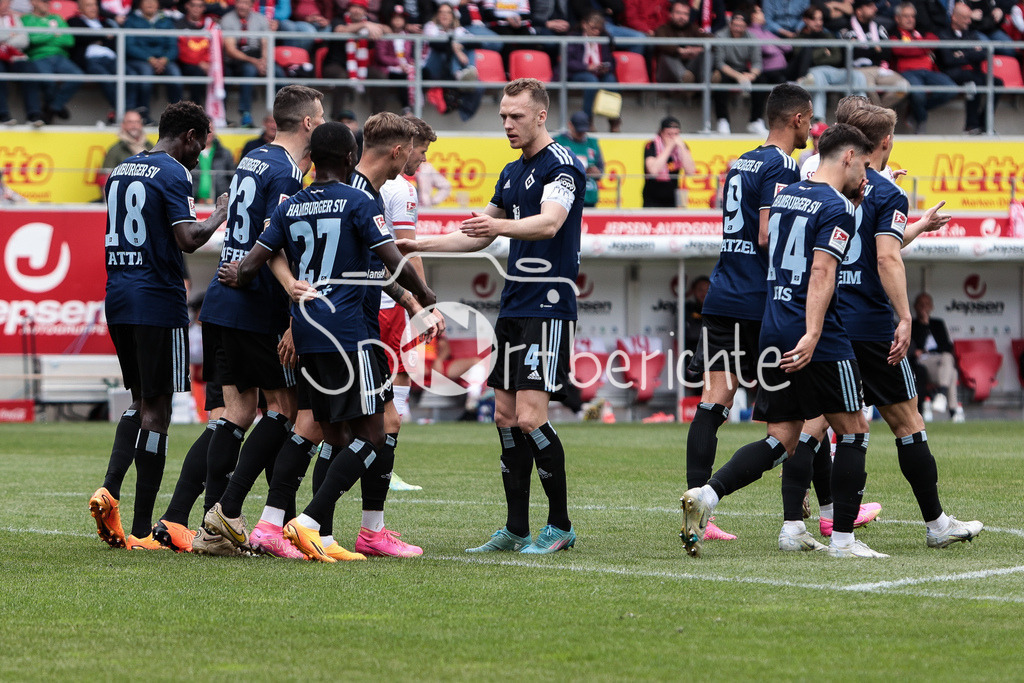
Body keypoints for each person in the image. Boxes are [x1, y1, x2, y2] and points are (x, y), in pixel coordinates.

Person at [779, 104, 979, 553]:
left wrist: (917, 228)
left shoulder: (822, 178)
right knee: (907, 423)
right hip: (871, 327)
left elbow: (862, 248)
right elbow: (885, 256)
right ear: (884, 143)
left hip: (830, 323)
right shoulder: (886, 191)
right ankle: (936, 523)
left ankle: (793, 525)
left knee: (814, 426)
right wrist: (906, 316)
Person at [399, 78, 585, 555]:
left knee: (529, 416)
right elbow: (477, 235)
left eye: (516, 116)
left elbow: (550, 222)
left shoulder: (562, 165)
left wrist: (498, 225)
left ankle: (560, 525)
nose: (507, 124)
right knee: (504, 415)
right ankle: (516, 529)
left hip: (548, 305)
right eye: (503, 116)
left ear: (540, 116)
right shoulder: (509, 170)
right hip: (515, 304)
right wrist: (416, 243)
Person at [682, 123, 881, 559]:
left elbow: (771, 243)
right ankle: (844, 540)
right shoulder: (836, 206)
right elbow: (823, 271)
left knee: (785, 436)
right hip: (816, 335)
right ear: (847, 156)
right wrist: (813, 332)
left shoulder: (789, 194)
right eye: (864, 164)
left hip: (771, 326)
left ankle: (712, 497)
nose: (867, 175)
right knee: (853, 430)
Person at [151, 86, 325, 555]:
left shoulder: (252, 157)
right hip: (255, 304)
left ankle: (198, 524)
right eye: (320, 117)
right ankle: (226, 515)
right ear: (308, 123)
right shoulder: (289, 170)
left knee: (235, 414)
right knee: (285, 411)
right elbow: (277, 239)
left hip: (222, 305)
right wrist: (288, 303)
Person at [255, 121, 438, 563]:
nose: (420, 159)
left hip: (314, 327)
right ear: (355, 156)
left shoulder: (297, 202)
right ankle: (311, 522)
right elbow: (390, 260)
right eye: (416, 150)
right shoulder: (359, 197)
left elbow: (258, 260)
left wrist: (291, 299)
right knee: (370, 432)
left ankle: (287, 526)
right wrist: (425, 297)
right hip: (350, 332)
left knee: (330, 433)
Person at [88, 100, 229, 551]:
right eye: (201, 145)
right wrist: (220, 213)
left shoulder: (123, 169)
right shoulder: (173, 172)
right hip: (157, 298)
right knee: (158, 410)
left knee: (138, 400)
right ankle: (145, 528)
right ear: (188, 135)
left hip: (119, 295)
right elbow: (187, 239)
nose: (200, 155)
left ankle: (109, 488)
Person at [684, 84, 809, 542]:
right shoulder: (784, 164)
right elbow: (767, 232)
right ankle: (808, 515)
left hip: (722, 294)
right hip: (761, 303)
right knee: (797, 418)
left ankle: (697, 506)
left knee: (714, 398)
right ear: (795, 119)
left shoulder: (741, 161)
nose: (811, 129)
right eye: (809, 120)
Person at [375, 115, 439, 492]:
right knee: (394, 383)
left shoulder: (368, 182)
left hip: (366, 298)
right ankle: (384, 467)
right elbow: (406, 250)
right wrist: (422, 301)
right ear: (407, 146)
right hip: (390, 302)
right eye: (424, 151)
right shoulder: (402, 187)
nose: (424, 161)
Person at [788, 5, 868, 121]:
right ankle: (819, 120)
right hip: (813, 72)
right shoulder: (799, 38)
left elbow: (837, 57)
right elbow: (804, 59)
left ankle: (861, 117)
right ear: (805, 20)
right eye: (814, 19)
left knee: (857, 76)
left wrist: (816, 54)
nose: (818, 22)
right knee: (818, 78)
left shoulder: (828, 35)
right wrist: (824, 52)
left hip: (832, 70)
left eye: (820, 19)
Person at [936, 2, 1002, 135]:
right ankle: (971, 125)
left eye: (969, 17)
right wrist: (970, 53)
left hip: (972, 72)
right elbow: (949, 59)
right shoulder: (943, 34)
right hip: (952, 73)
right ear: (954, 17)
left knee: (997, 83)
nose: (969, 21)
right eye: (965, 18)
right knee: (974, 82)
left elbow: (983, 54)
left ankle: (985, 124)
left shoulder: (971, 33)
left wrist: (962, 53)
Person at [889, 2, 956, 134]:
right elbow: (898, 50)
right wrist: (923, 48)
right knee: (918, 94)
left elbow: (934, 41)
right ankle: (921, 120)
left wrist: (914, 47)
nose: (910, 19)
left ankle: (916, 110)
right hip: (907, 72)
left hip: (928, 72)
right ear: (897, 18)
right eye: (906, 16)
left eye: (912, 16)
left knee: (951, 89)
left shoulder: (921, 29)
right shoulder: (893, 32)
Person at [221, 0, 286, 128]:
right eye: (240, 2)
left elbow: (265, 43)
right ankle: (246, 113)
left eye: (246, 3)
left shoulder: (260, 19)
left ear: (252, 5)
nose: (242, 6)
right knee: (249, 70)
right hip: (236, 58)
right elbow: (230, 50)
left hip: (257, 56)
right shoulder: (227, 20)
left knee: (278, 72)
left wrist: (263, 61)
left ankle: (285, 113)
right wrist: (255, 62)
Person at [838, 0, 909, 111]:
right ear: (859, 11)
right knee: (869, 87)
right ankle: (879, 117)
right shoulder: (847, 28)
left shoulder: (879, 28)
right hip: (858, 70)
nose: (875, 8)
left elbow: (887, 53)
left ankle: (878, 113)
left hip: (879, 69)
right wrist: (875, 49)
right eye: (870, 6)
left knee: (903, 86)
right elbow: (849, 54)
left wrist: (863, 48)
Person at [22, 0, 82, 123]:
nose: (47, 4)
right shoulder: (26, 19)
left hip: (59, 56)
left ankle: (53, 107)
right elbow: (32, 40)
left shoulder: (57, 18)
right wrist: (53, 33)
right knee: (48, 81)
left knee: (78, 76)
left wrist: (45, 36)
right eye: (43, 1)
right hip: (38, 56)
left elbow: (69, 40)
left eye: (48, 2)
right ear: (33, 2)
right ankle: (56, 107)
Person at [124, 0, 183, 123]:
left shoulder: (166, 21)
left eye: (153, 1)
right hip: (140, 60)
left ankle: (178, 116)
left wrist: (165, 59)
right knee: (146, 76)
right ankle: (144, 116)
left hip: (164, 60)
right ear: (140, 4)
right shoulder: (131, 20)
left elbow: (173, 46)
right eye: (146, 1)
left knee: (176, 75)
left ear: (158, 4)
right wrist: (149, 58)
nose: (150, 4)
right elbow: (129, 46)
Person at [711, 10, 769, 135]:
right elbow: (719, 63)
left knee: (762, 80)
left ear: (746, 27)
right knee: (719, 80)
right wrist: (738, 77)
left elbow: (757, 63)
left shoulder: (752, 37)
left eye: (741, 26)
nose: (737, 29)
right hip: (727, 69)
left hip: (743, 70)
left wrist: (752, 75)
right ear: (730, 24)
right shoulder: (720, 35)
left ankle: (755, 120)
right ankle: (723, 120)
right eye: (735, 25)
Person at [911, 291, 964, 421]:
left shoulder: (937, 324)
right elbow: (915, 347)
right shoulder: (913, 324)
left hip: (940, 363)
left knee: (948, 360)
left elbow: (946, 346)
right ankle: (952, 410)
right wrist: (923, 323)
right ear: (915, 306)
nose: (924, 307)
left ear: (932, 307)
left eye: (927, 304)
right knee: (952, 372)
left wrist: (926, 349)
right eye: (921, 304)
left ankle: (942, 394)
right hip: (923, 362)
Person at [566, 10, 619, 130]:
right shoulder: (573, 38)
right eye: (593, 28)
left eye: (599, 30)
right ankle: (588, 119)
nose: (596, 32)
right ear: (584, 24)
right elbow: (568, 62)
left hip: (599, 73)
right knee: (591, 80)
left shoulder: (605, 39)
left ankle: (613, 119)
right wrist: (587, 67)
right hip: (578, 73)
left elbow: (612, 61)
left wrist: (606, 67)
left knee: (611, 80)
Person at [68, 0, 119, 124]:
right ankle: (123, 111)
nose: (93, 8)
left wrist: (96, 38)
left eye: (95, 5)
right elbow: (80, 38)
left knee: (131, 76)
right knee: (106, 78)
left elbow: (115, 42)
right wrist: (103, 36)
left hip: (112, 59)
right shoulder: (74, 21)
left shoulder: (106, 22)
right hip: (91, 61)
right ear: (80, 9)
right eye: (89, 5)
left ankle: (123, 112)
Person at [0, 0, 44, 126]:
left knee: (30, 72)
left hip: (15, 56)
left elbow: (24, 40)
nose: (6, 6)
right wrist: (12, 35)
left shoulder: (14, 18)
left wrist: (5, 43)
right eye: (2, 3)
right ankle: (3, 115)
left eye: (8, 3)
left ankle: (34, 115)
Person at [642, 116, 695, 208]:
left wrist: (682, 148)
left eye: (676, 134)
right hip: (653, 197)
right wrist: (669, 148)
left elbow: (690, 171)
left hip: (673, 196)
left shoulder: (681, 146)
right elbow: (653, 170)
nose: (673, 138)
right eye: (669, 134)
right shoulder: (652, 145)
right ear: (661, 133)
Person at [554, 110, 604, 208]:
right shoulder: (558, 141)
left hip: (589, 196)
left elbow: (601, 170)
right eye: (578, 130)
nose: (581, 133)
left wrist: (595, 172)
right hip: (565, 196)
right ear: (570, 125)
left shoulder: (593, 143)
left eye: (584, 130)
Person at [653, 0, 710, 85]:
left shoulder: (693, 28)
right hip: (668, 75)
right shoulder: (663, 29)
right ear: (670, 14)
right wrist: (680, 51)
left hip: (692, 71)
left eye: (685, 14)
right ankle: (685, 77)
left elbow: (712, 39)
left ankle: (707, 79)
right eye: (678, 13)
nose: (682, 17)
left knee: (707, 52)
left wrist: (699, 49)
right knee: (666, 55)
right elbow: (661, 43)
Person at [98, 111, 153, 189]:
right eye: (130, 122)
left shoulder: (150, 146)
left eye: (137, 122)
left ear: (141, 125)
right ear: (123, 125)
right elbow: (105, 181)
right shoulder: (115, 149)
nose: (134, 126)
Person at [176, 0, 215, 107]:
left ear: (204, 8)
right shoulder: (179, 24)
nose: (196, 9)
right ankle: (196, 111)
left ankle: (219, 114)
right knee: (197, 73)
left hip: (206, 64)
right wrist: (200, 63)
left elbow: (215, 47)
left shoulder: (211, 24)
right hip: (186, 64)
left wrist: (208, 63)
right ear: (187, 6)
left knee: (224, 72)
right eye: (193, 5)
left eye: (200, 6)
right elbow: (182, 51)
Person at [191, 123, 234, 203]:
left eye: (210, 129)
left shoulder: (225, 153)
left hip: (219, 202)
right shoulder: (189, 153)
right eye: (204, 129)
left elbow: (233, 179)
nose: (208, 132)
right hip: (194, 201)